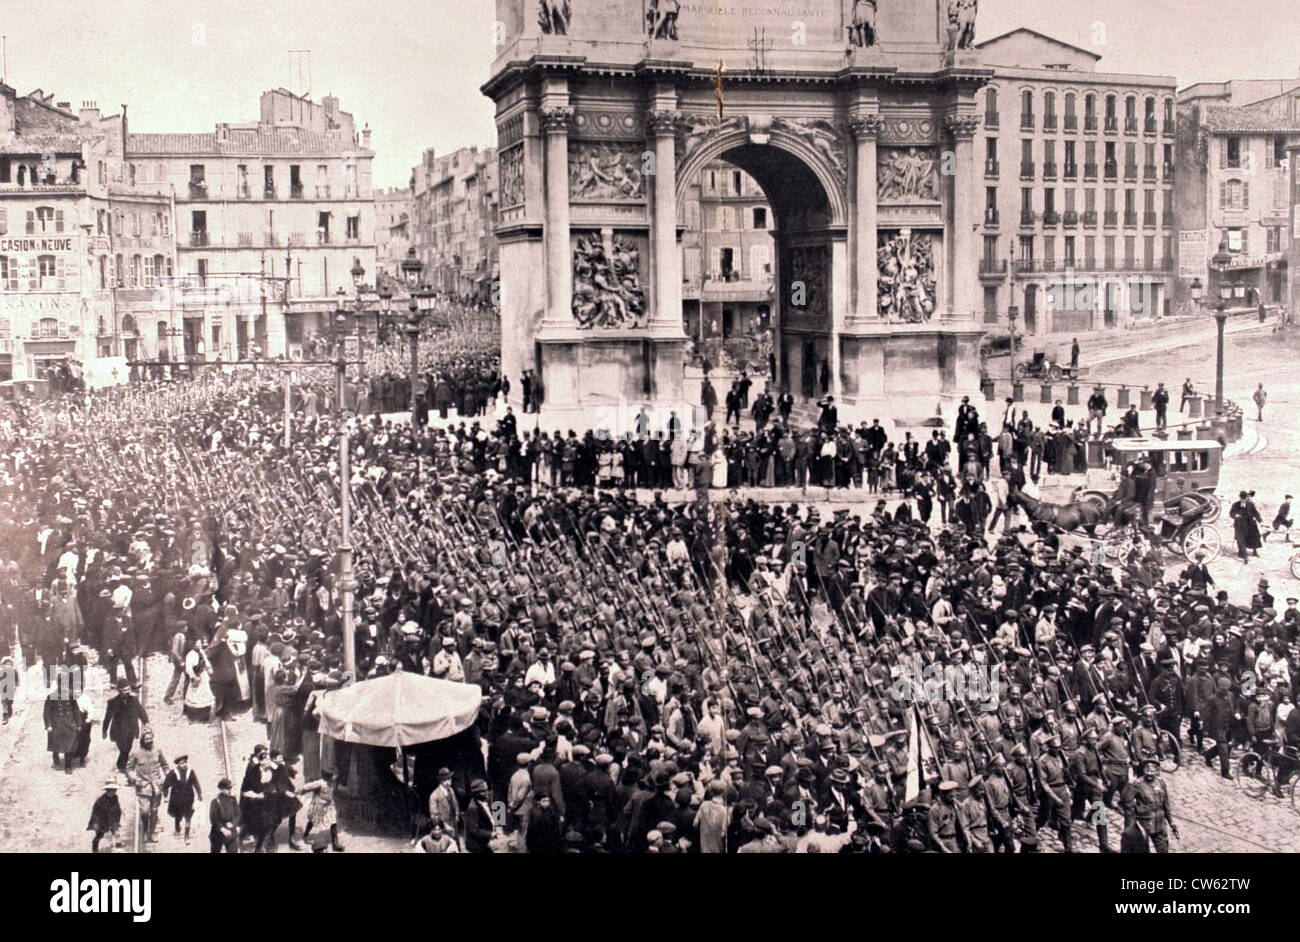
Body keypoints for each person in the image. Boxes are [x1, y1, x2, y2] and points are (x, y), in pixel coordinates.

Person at [125, 728, 170, 844]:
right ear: (142, 740)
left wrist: (168, 777)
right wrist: (135, 779)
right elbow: (128, 769)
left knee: (154, 811)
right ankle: (145, 831)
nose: (149, 741)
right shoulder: (136, 753)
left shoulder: (158, 751)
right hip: (143, 787)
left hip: (157, 787)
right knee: (144, 811)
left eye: (151, 738)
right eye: (147, 739)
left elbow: (165, 766)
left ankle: (151, 833)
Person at [102, 680, 149, 773]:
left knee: (127, 748)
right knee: (122, 748)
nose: (127, 691)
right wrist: (104, 730)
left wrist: (146, 722)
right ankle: (122, 765)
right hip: (118, 730)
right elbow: (108, 717)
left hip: (131, 728)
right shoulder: (113, 702)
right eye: (124, 690)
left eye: (128, 689)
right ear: (120, 691)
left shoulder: (134, 700)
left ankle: (122, 766)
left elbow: (141, 712)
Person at [162, 755, 202, 843]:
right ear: (178, 765)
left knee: (188, 817)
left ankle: (186, 836)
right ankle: (177, 826)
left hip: (188, 798)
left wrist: (199, 794)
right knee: (178, 815)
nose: (184, 765)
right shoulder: (173, 773)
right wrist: (165, 795)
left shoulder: (190, 772)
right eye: (181, 763)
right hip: (177, 799)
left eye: (185, 763)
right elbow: (166, 785)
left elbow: (196, 783)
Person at [88, 778, 122, 853]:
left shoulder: (115, 798)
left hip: (112, 819)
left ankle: (118, 847)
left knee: (117, 834)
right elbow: (97, 815)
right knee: (99, 835)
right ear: (108, 790)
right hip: (101, 821)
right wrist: (98, 825)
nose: (114, 791)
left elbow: (117, 810)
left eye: (115, 790)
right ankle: (95, 850)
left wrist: (116, 822)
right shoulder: (101, 801)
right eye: (113, 790)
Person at [209, 777, 241, 853]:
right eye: (227, 789)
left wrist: (233, 823)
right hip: (218, 832)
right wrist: (222, 829)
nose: (230, 791)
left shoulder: (233, 799)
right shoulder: (215, 801)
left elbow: (238, 814)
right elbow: (213, 819)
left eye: (230, 788)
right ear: (221, 789)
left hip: (231, 830)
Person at [1229, 490, 1263, 561]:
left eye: (1245, 499)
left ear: (1246, 498)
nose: (1243, 500)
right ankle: (1244, 555)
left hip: (1250, 524)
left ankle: (1254, 551)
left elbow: (1255, 513)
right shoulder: (1235, 505)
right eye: (1242, 499)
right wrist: (1235, 515)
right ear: (1240, 498)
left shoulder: (1250, 504)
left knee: (1254, 537)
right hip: (1239, 525)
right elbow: (1231, 513)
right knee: (1240, 539)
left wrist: (1260, 521)